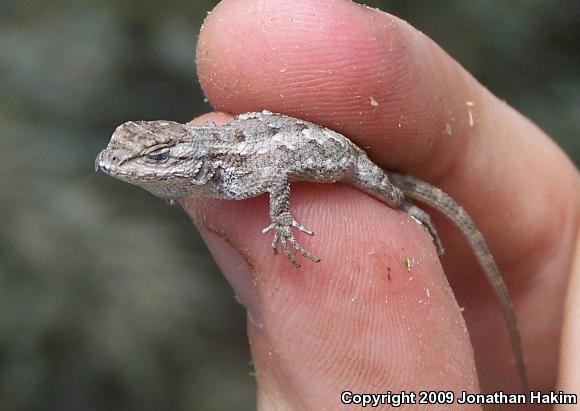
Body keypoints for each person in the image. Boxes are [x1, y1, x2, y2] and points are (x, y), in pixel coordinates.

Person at [182, 0, 580, 408]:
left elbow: (277, 172)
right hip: (301, 151)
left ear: (182, 154)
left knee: (396, 200)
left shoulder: (226, 166)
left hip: (340, 159)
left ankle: (415, 213)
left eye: (157, 157)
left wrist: (281, 220)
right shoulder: (214, 166)